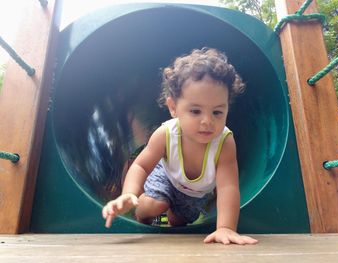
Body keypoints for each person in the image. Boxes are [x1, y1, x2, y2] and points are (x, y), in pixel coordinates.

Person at [102, 47, 258, 245]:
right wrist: (129, 194)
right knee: (155, 205)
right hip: (166, 176)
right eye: (195, 111)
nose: (207, 121)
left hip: (196, 194)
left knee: (178, 224)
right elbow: (141, 166)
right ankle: (140, 216)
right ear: (173, 107)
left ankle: (169, 216)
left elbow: (228, 187)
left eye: (217, 112)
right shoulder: (166, 134)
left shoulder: (225, 142)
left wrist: (225, 228)